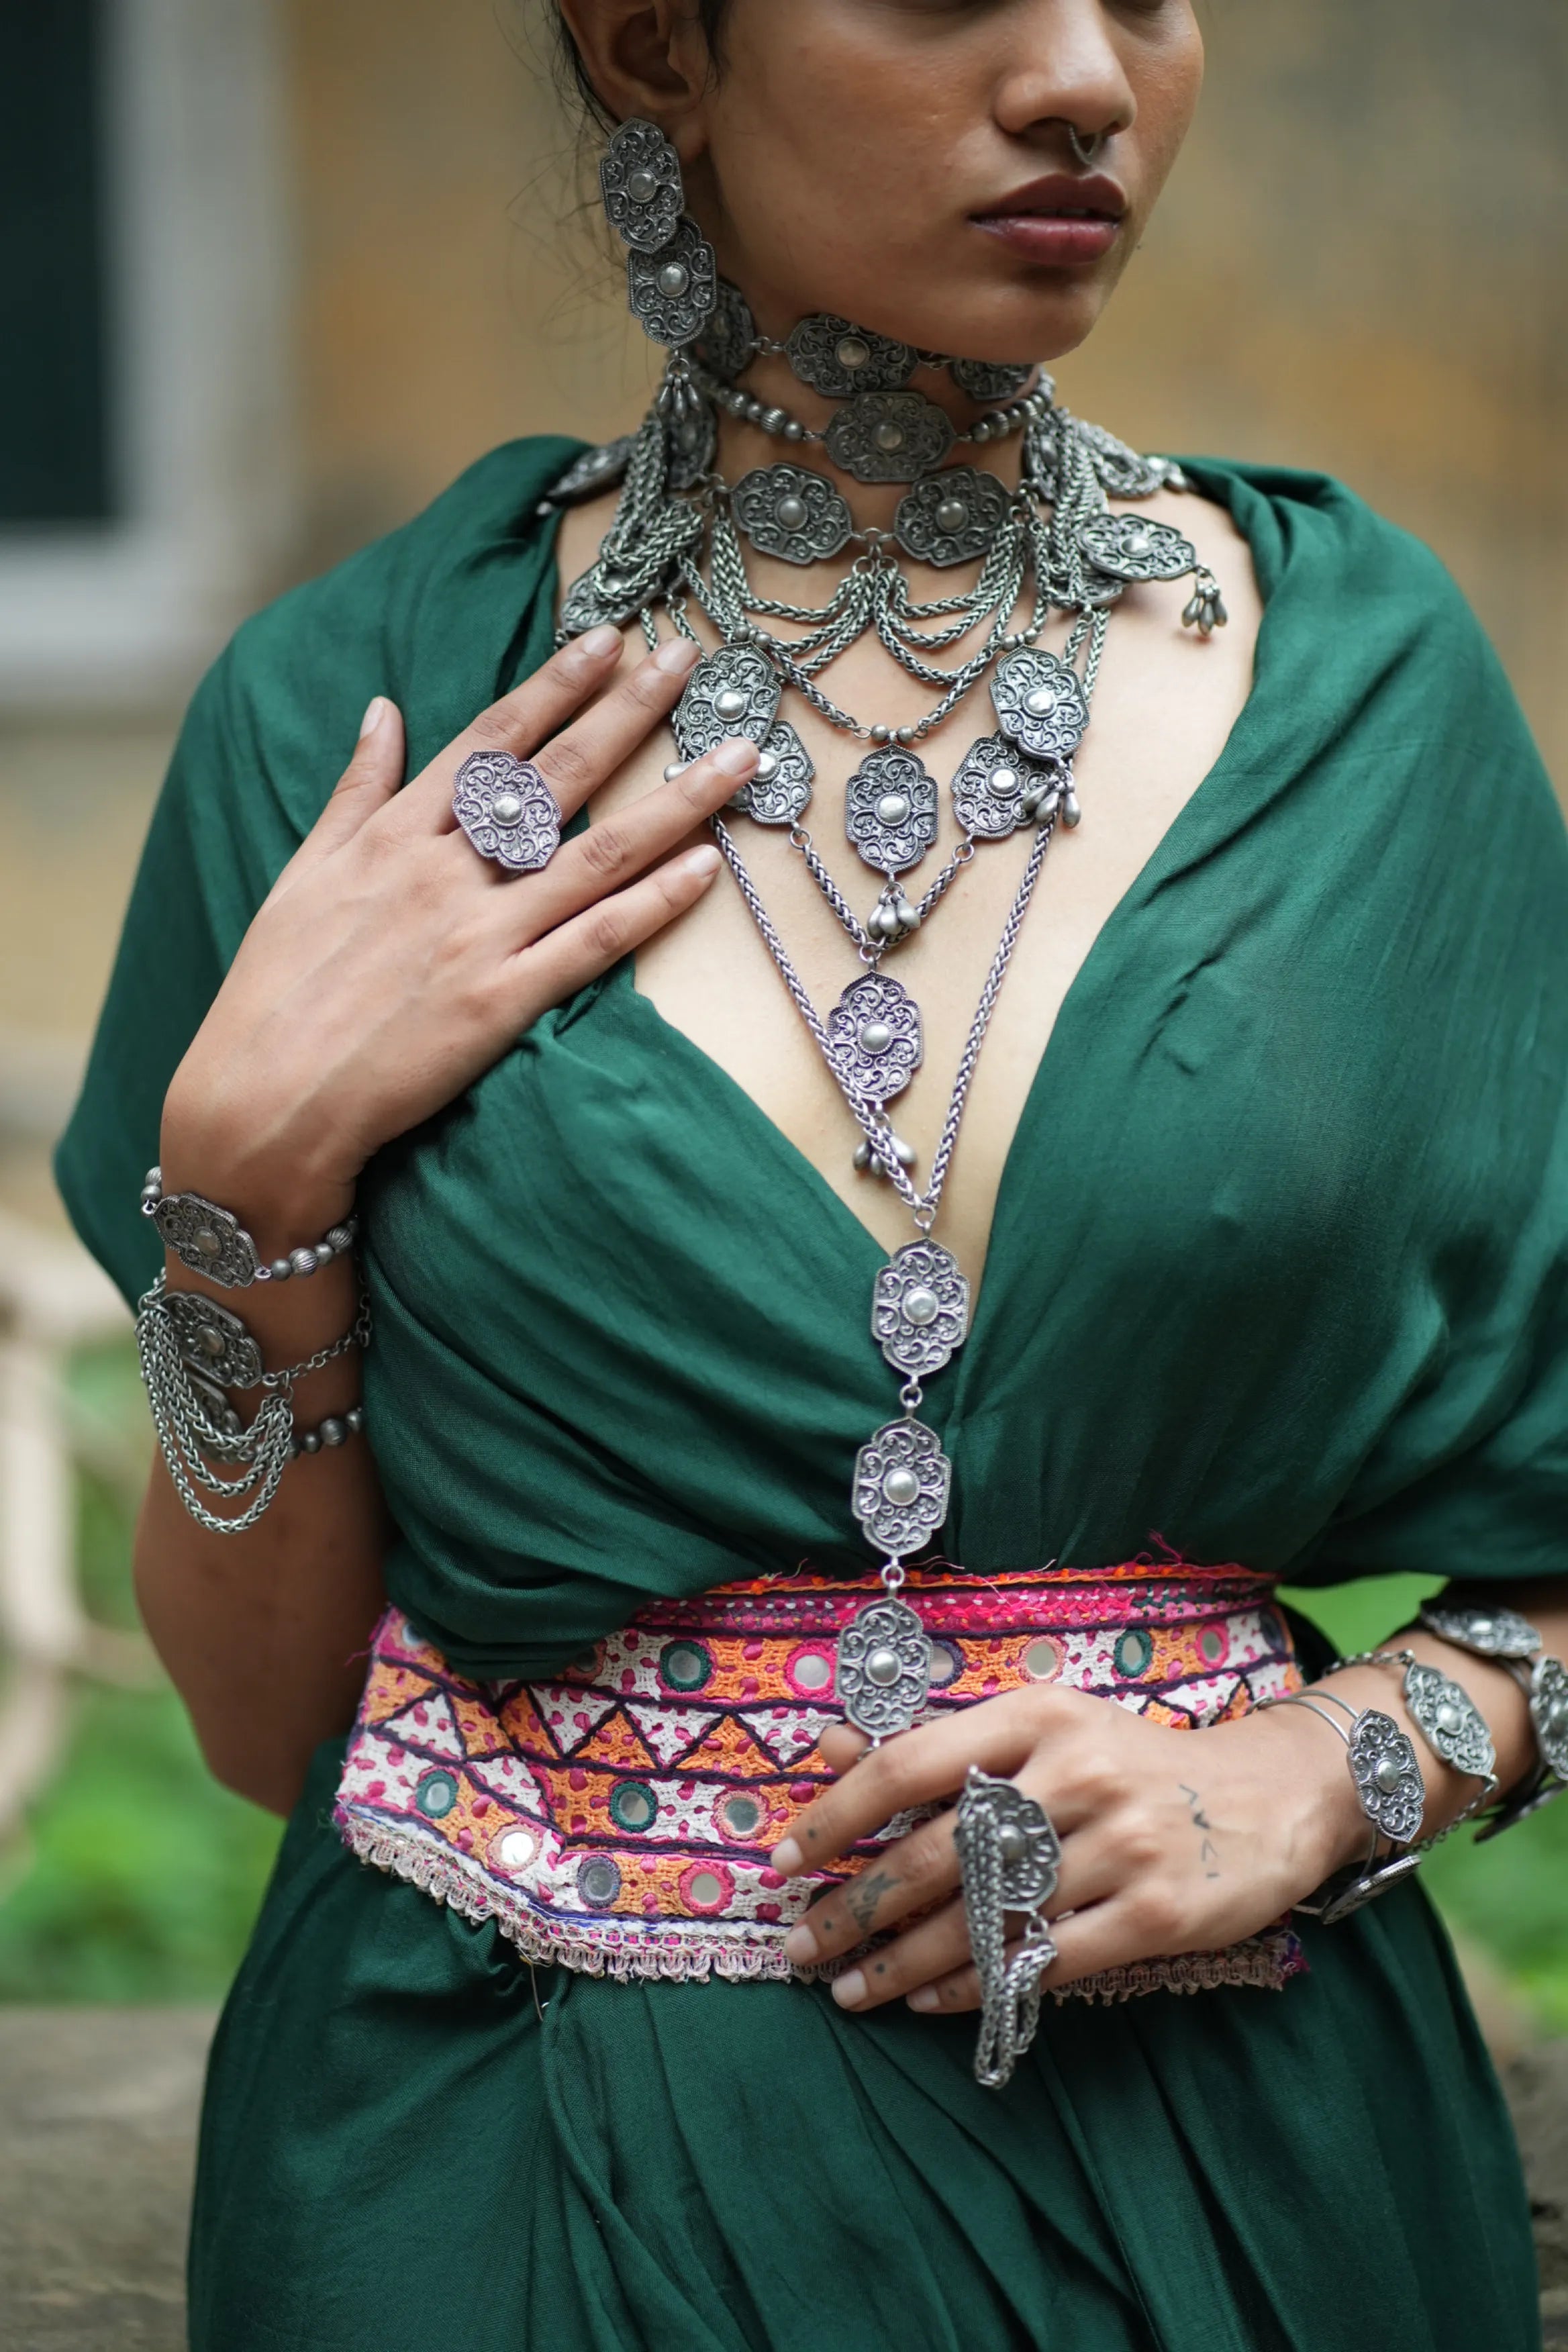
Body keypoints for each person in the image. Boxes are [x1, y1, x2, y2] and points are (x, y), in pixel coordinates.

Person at [57, 3, 1568, 2345]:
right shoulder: (357, 712)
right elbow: (274, 1734)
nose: (1083, 78)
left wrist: (1330, 1765)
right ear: (655, 39)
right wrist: (243, 1163)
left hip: (1236, 2186)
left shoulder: (1362, 695)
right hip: (504, 2187)